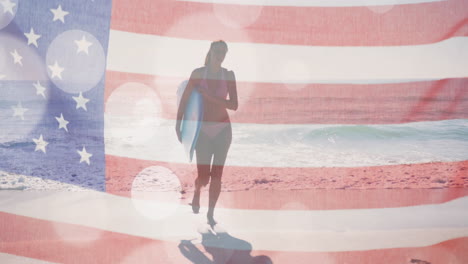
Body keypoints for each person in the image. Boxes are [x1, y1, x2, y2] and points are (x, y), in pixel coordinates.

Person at [176, 40, 238, 226]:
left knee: (217, 175)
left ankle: (210, 213)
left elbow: (234, 105)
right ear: (210, 52)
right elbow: (185, 101)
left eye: (224, 52)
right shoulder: (197, 74)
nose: (220, 54)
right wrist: (178, 125)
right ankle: (196, 192)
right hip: (201, 131)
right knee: (203, 176)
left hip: (222, 129)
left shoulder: (228, 75)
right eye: (217, 51)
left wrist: (210, 97)